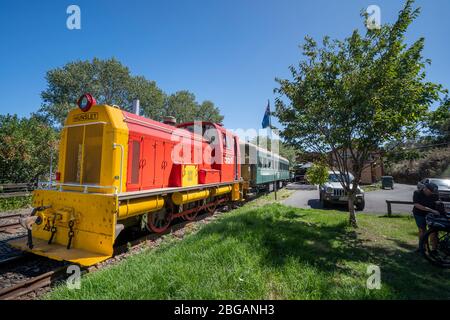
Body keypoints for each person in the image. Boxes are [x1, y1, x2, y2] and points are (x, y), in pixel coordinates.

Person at [412, 182, 440, 252]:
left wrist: (438, 204)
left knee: (433, 231)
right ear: (426, 189)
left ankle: (434, 249)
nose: (432, 194)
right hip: (419, 214)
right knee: (422, 230)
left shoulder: (434, 194)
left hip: (431, 215)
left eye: (433, 192)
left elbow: (438, 202)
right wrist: (431, 210)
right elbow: (416, 205)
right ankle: (422, 247)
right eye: (431, 192)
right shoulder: (417, 193)